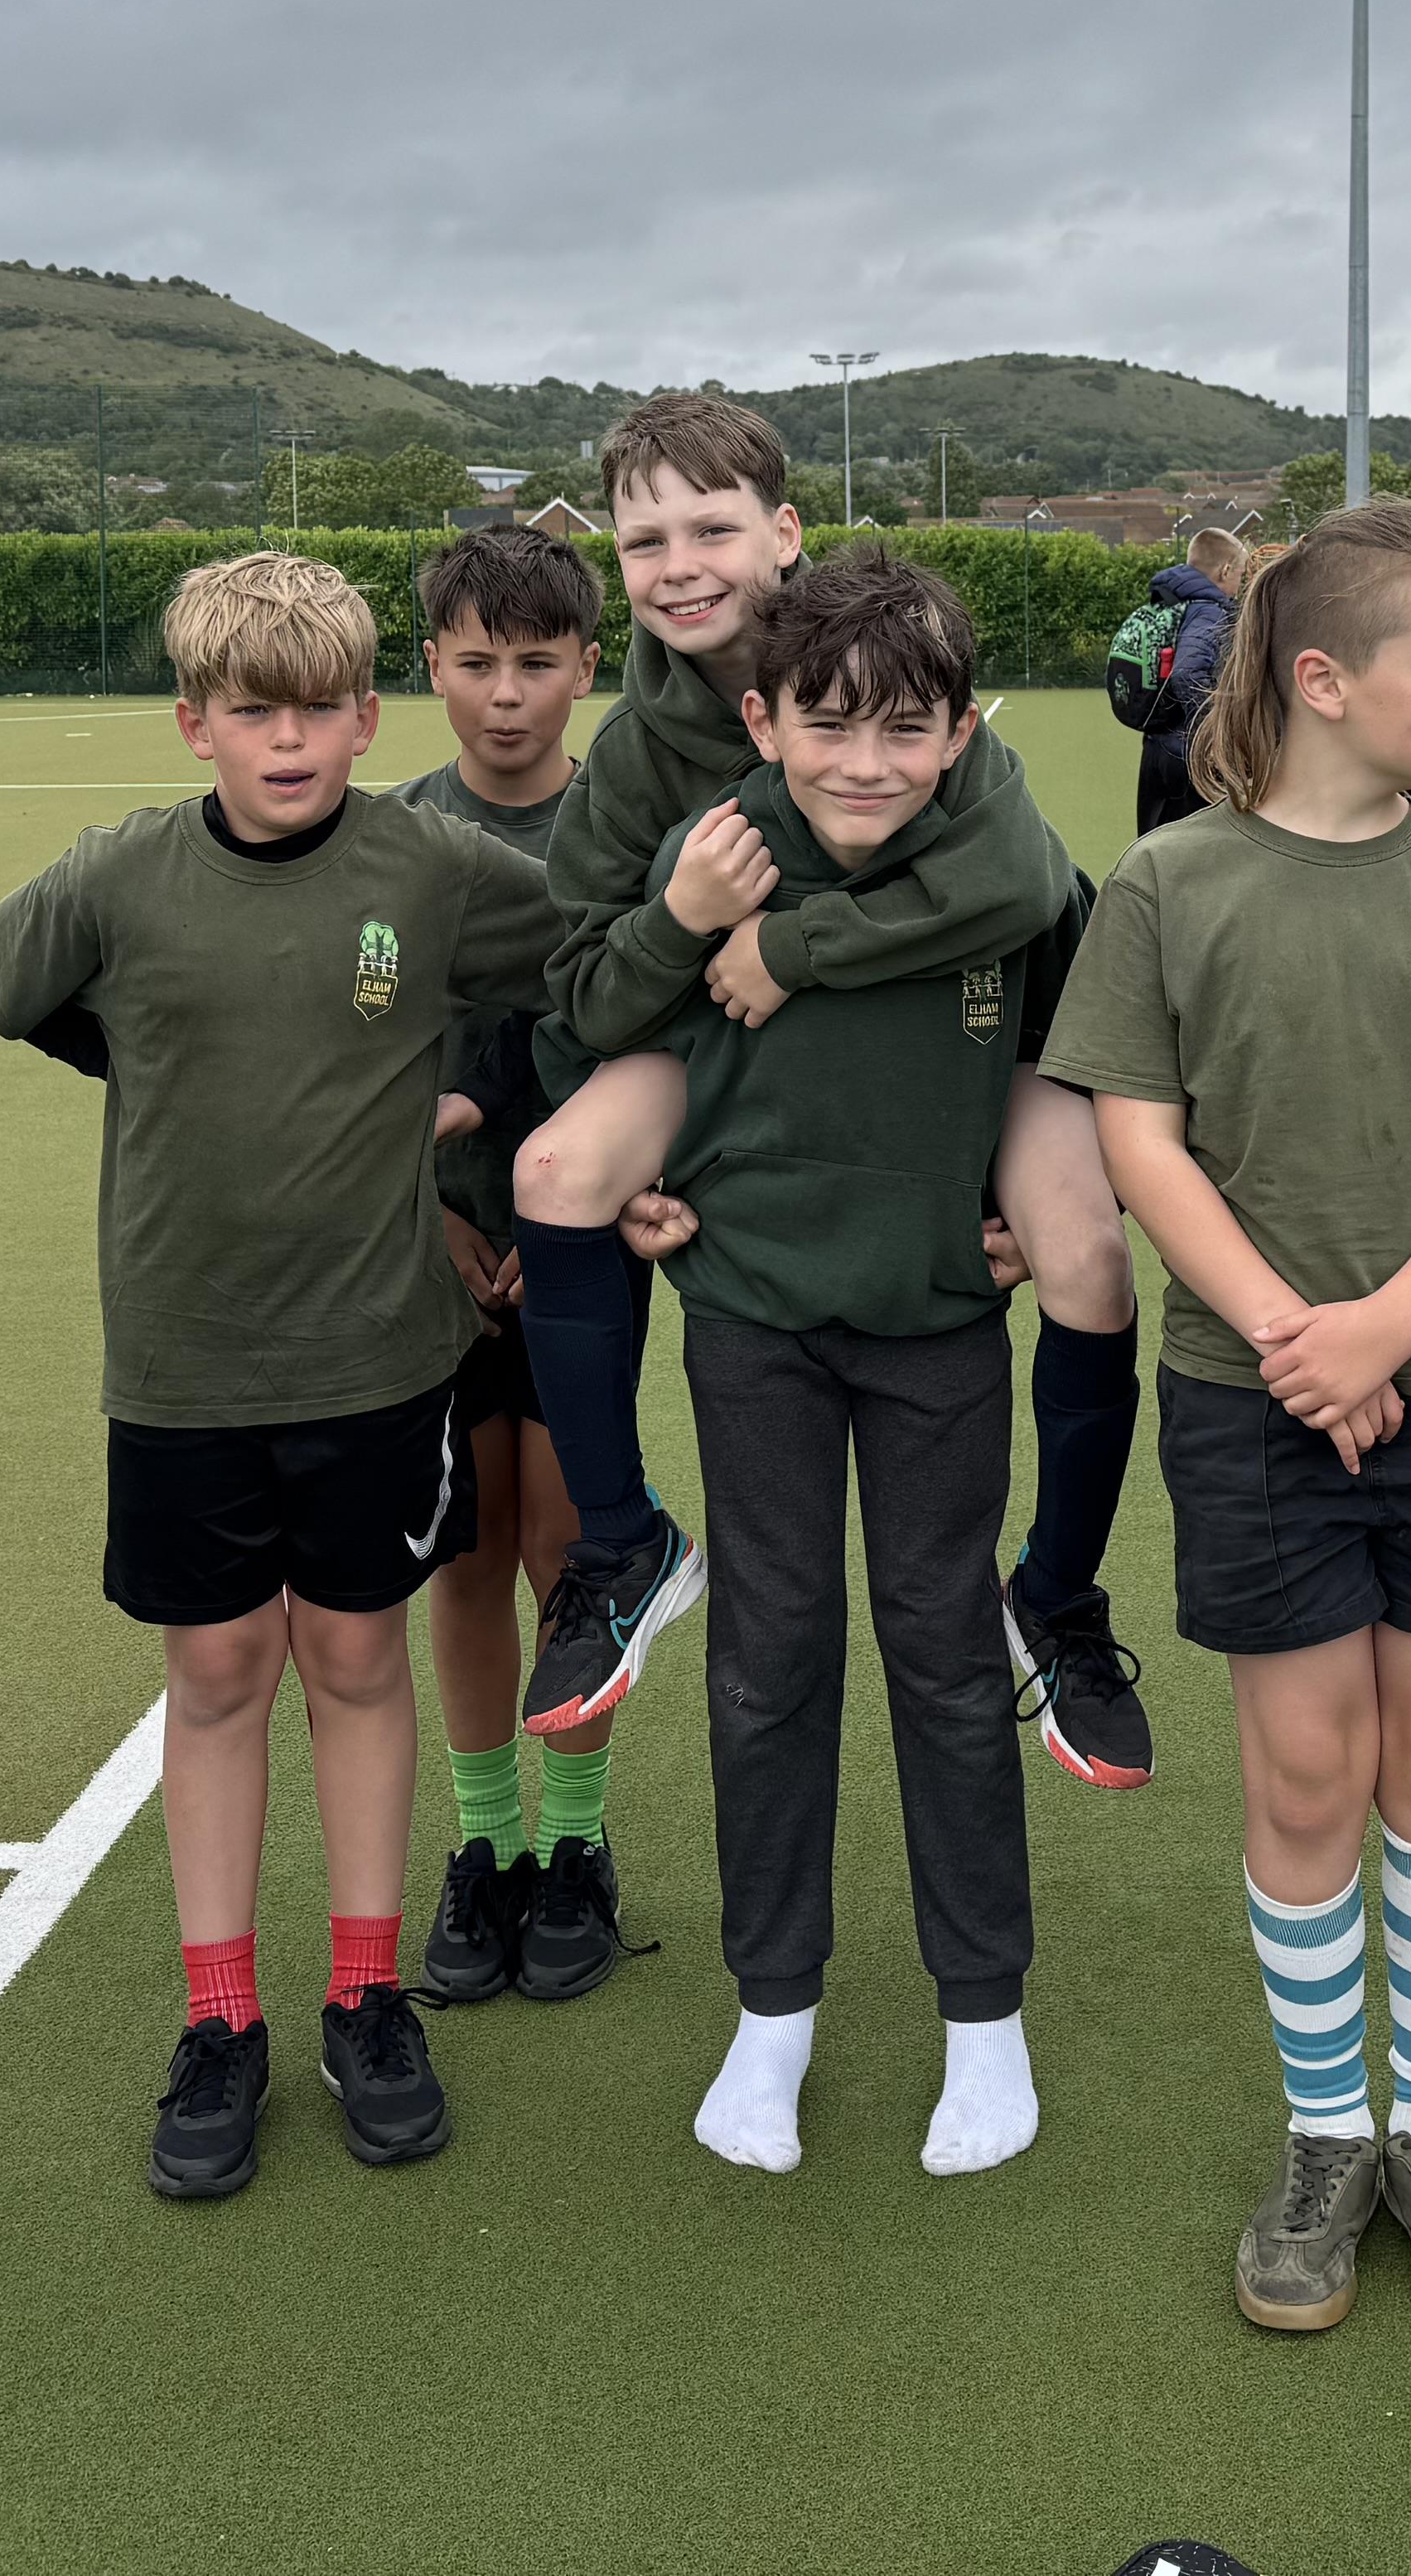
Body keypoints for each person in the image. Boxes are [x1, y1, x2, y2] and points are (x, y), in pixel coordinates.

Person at [1044, 498, 1411, 2339]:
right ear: (1327, 680)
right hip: (1257, 1400)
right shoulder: (1168, 882)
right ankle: (1326, 2132)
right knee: (1301, 1772)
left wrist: (1387, 1333)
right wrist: (1301, 1342)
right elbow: (1140, 1141)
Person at [0, 554, 564, 2199]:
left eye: (317, 711)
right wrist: (145, 1053)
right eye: (251, 712)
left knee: (358, 1657)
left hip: (375, 1353)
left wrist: (480, 1115)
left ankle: (366, 1994)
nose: (286, 742)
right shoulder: (121, 874)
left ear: (368, 715)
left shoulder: (431, 866)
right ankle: (219, 2014)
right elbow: (1, 975)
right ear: (195, 722)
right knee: (220, 1667)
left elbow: (591, 963)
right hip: (182, 1358)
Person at [509, 394, 1152, 1789]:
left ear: (784, 530)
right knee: (557, 1173)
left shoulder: (892, 653)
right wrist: (684, 926)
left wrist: (791, 947)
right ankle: (621, 1542)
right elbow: (586, 990)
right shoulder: (634, 752)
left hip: (983, 1042)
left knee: (1089, 1255)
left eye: (712, 528)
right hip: (732, 1064)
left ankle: (1055, 1594)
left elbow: (1016, 882)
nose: (680, 565)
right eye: (644, 540)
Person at [604, 555, 1090, 2176]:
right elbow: (603, 1012)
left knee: (944, 1654)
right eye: (828, 725)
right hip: (752, 1318)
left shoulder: (1010, 866)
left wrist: (1042, 1187)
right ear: (762, 720)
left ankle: (984, 2018)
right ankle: (773, 2011)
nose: (866, 764)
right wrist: (643, 1169)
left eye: (905, 729)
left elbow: (1101, 1043)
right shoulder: (719, 852)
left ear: (960, 731)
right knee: (769, 1655)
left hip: (937, 1321)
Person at [389, 524, 631, 2008]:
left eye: (536, 662)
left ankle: (577, 1840)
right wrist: (431, 1216)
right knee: (466, 1554)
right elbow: (354, 1061)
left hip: (586, 1248)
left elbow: (659, 1043)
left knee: (569, 1551)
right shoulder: (389, 836)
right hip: (427, 1249)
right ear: (430, 664)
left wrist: (572, 1218)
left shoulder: (624, 833)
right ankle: (485, 1844)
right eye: (475, 661)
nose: (504, 693)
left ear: (587, 666)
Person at [1134, 524, 1246, 837]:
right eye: (1240, 574)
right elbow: (1187, 672)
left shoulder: (1169, 602)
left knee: (1154, 844)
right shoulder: (1209, 611)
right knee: (1198, 848)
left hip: (1157, 745)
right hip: (1188, 755)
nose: (1240, 584)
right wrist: (1213, 732)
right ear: (1225, 570)